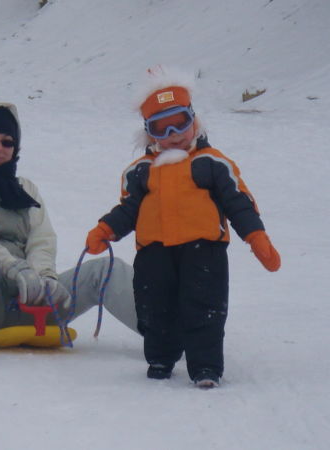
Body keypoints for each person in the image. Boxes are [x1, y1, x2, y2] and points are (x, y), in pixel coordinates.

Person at [85, 71, 281, 388]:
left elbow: (238, 202)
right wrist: (105, 229)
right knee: (154, 305)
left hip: (204, 249)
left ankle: (205, 366)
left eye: (180, 122)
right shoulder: (139, 171)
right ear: (149, 133)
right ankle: (161, 357)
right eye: (161, 127)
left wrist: (255, 236)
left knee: (204, 305)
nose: (174, 133)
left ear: (194, 120)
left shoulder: (212, 162)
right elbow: (128, 209)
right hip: (153, 252)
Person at [0, 102, 139, 361]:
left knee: (105, 270)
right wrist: (15, 269)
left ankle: (171, 333)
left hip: (28, 301)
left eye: (7, 142)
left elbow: (41, 240)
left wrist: (45, 278)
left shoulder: (25, 189)